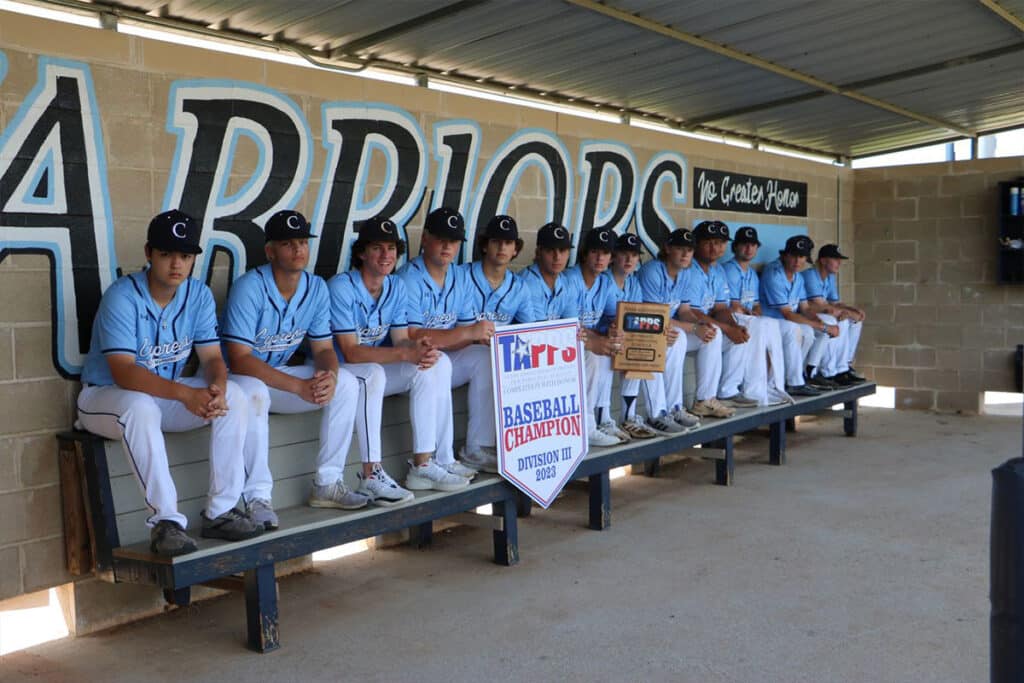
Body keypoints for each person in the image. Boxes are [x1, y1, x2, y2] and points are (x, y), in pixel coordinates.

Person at [76, 210, 262, 556]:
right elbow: (124, 373)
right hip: (104, 399)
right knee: (140, 406)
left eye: (185, 256)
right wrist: (185, 394)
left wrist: (216, 389)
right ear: (149, 254)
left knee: (235, 394)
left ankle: (221, 511)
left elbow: (212, 359)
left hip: (161, 395)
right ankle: (166, 522)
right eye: (167, 254)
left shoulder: (198, 295)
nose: (177, 264)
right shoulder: (123, 295)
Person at [221, 210, 370, 523]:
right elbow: (239, 358)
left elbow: (324, 348)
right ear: (270, 250)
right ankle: (257, 498)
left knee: (345, 383)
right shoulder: (249, 287)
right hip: (237, 381)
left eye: (303, 241)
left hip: (278, 380)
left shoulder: (315, 288)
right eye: (288, 243)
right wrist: (298, 387)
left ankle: (328, 483)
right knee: (257, 390)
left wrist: (327, 375)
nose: (298, 249)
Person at [329, 216, 469, 501]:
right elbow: (351, 352)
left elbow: (401, 339)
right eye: (377, 248)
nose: (386, 255)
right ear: (361, 253)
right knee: (373, 373)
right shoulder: (342, 286)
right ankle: (371, 475)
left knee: (436, 361)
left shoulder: (394, 286)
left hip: (375, 369)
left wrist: (420, 349)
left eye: (391, 249)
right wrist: (405, 352)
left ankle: (424, 464)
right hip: (339, 371)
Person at [397, 207, 493, 475]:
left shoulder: (459, 277)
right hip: (409, 364)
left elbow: (465, 334)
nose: (447, 246)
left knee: (484, 358)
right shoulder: (408, 278)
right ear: (425, 238)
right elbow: (414, 337)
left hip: (443, 358)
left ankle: (476, 447)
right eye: (441, 238)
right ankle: (436, 459)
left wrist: (472, 336)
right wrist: (465, 334)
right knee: (439, 362)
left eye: (453, 241)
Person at [563, 227, 628, 447]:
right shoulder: (570, 279)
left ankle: (603, 417)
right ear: (584, 253)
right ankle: (588, 425)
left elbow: (613, 316)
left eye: (606, 253)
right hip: (565, 341)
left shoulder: (605, 282)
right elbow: (571, 327)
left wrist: (613, 329)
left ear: (611, 258)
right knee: (593, 354)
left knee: (613, 345)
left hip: (584, 340)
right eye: (595, 252)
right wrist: (599, 339)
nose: (600, 258)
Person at [636, 228, 702, 433]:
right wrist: (693, 327)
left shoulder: (685, 274)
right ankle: (657, 414)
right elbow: (653, 318)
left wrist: (700, 326)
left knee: (689, 336)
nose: (685, 254)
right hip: (644, 329)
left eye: (689, 250)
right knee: (661, 340)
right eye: (680, 249)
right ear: (667, 248)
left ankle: (675, 407)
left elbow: (684, 311)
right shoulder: (653, 271)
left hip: (665, 329)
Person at [675, 220, 742, 418]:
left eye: (720, 243)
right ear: (696, 244)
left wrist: (735, 326)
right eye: (709, 242)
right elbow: (693, 312)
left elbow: (721, 308)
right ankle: (700, 400)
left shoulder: (718, 270)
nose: (715, 248)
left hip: (695, 327)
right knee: (717, 332)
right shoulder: (689, 269)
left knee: (742, 329)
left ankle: (722, 393)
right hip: (680, 328)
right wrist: (728, 328)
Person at [759, 235, 840, 396]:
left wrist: (820, 321)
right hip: (770, 321)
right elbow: (788, 314)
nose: (797, 261)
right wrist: (823, 326)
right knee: (802, 330)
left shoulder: (797, 276)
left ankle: (804, 374)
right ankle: (794, 381)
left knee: (821, 326)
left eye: (801, 256)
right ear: (785, 255)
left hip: (787, 320)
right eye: (793, 255)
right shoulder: (774, 273)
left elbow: (804, 308)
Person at [719, 226, 792, 406]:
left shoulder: (751, 273)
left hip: (746, 318)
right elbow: (733, 306)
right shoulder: (729, 269)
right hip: (729, 319)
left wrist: (754, 312)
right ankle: (753, 390)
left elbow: (757, 305)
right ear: (735, 247)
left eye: (752, 245)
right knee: (758, 325)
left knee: (771, 324)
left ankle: (772, 385)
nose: (749, 249)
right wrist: (750, 313)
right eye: (744, 244)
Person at [601, 232, 659, 439]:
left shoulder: (633, 282)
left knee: (639, 349)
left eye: (634, 255)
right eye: (624, 254)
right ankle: (603, 419)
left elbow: (636, 316)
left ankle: (629, 416)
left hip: (622, 337)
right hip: (601, 338)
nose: (629, 260)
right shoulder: (604, 280)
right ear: (614, 256)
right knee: (608, 352)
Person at [802, 244, 866, 385]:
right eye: (835, 259)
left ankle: (844, 366)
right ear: (824, 261)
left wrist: (852, 310)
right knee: (838, 321)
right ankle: (829, 371)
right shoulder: (810, 275)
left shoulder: (829, 277)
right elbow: (820, 304)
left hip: (823, 312)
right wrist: (845, 313)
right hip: (807, 315)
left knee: (855, 321)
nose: (839, 263)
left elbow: (835, 303)